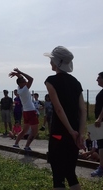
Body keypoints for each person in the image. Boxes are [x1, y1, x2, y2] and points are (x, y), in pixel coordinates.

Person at [44, 46, 86, 189]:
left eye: (51, 60)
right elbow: (83, 110)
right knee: (71, 173)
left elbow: (58, 108)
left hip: (59, 133)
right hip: (74, 133)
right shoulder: (76, 83)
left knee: (58, 176)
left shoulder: (51, 81)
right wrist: (79, 133)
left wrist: (70, 131)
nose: (50, 63)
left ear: (56, 62)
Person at [9, 68, 39, 151]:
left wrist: (17, 74)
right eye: (24, 81)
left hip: (25, 111)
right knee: (34, 131)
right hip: (31, 111)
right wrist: (20, 72)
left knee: (24, 130)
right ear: (22, 83)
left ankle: (16, 144)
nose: (26, 81)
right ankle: (27, 146)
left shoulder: (19, 89)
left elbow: (20, 79)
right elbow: (31, 79)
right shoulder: (25, 89)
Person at [91, 71, 103, 177]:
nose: (97, 80)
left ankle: (101, 168)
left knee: (101, 146)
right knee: (100, 145)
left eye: (98, 78)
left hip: (101, 123)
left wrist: (99, 118)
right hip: (99, 122)